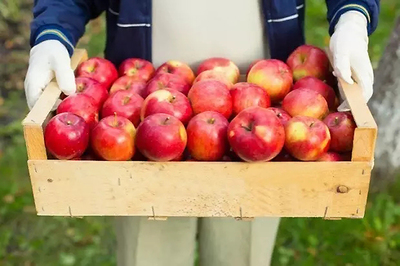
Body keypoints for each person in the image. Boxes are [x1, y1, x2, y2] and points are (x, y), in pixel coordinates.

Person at [24, 1, 379, 265]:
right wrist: (52, 35)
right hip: (141, 110)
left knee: (241, 252)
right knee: (149, 254)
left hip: (267, 109)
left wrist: (352, 14)